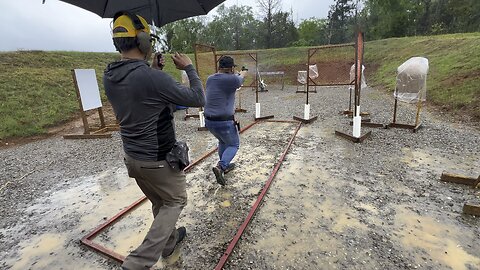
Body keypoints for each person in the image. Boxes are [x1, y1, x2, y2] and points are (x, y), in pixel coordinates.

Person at [103, 11, 205, 270]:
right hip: (158, 161)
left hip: (133, 160)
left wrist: (153, 70)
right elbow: (197, 98)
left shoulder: (111, 75)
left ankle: (169, 244)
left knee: (160, 202)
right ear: (143, 42)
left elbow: (141, 92)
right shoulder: (152, 79)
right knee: (175, 201)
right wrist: (189, 68)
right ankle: (137, 263)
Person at [204, 56, 247, 186]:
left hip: (209, 121)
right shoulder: (233, 79)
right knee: (234, 145)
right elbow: (240, 80)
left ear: (219, 67)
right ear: (231, 68)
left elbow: (230, 81)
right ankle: (221, 167)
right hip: (224, 121)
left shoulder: (210, 79)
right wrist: (243, 71)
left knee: (223, 141)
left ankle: (225, 166)